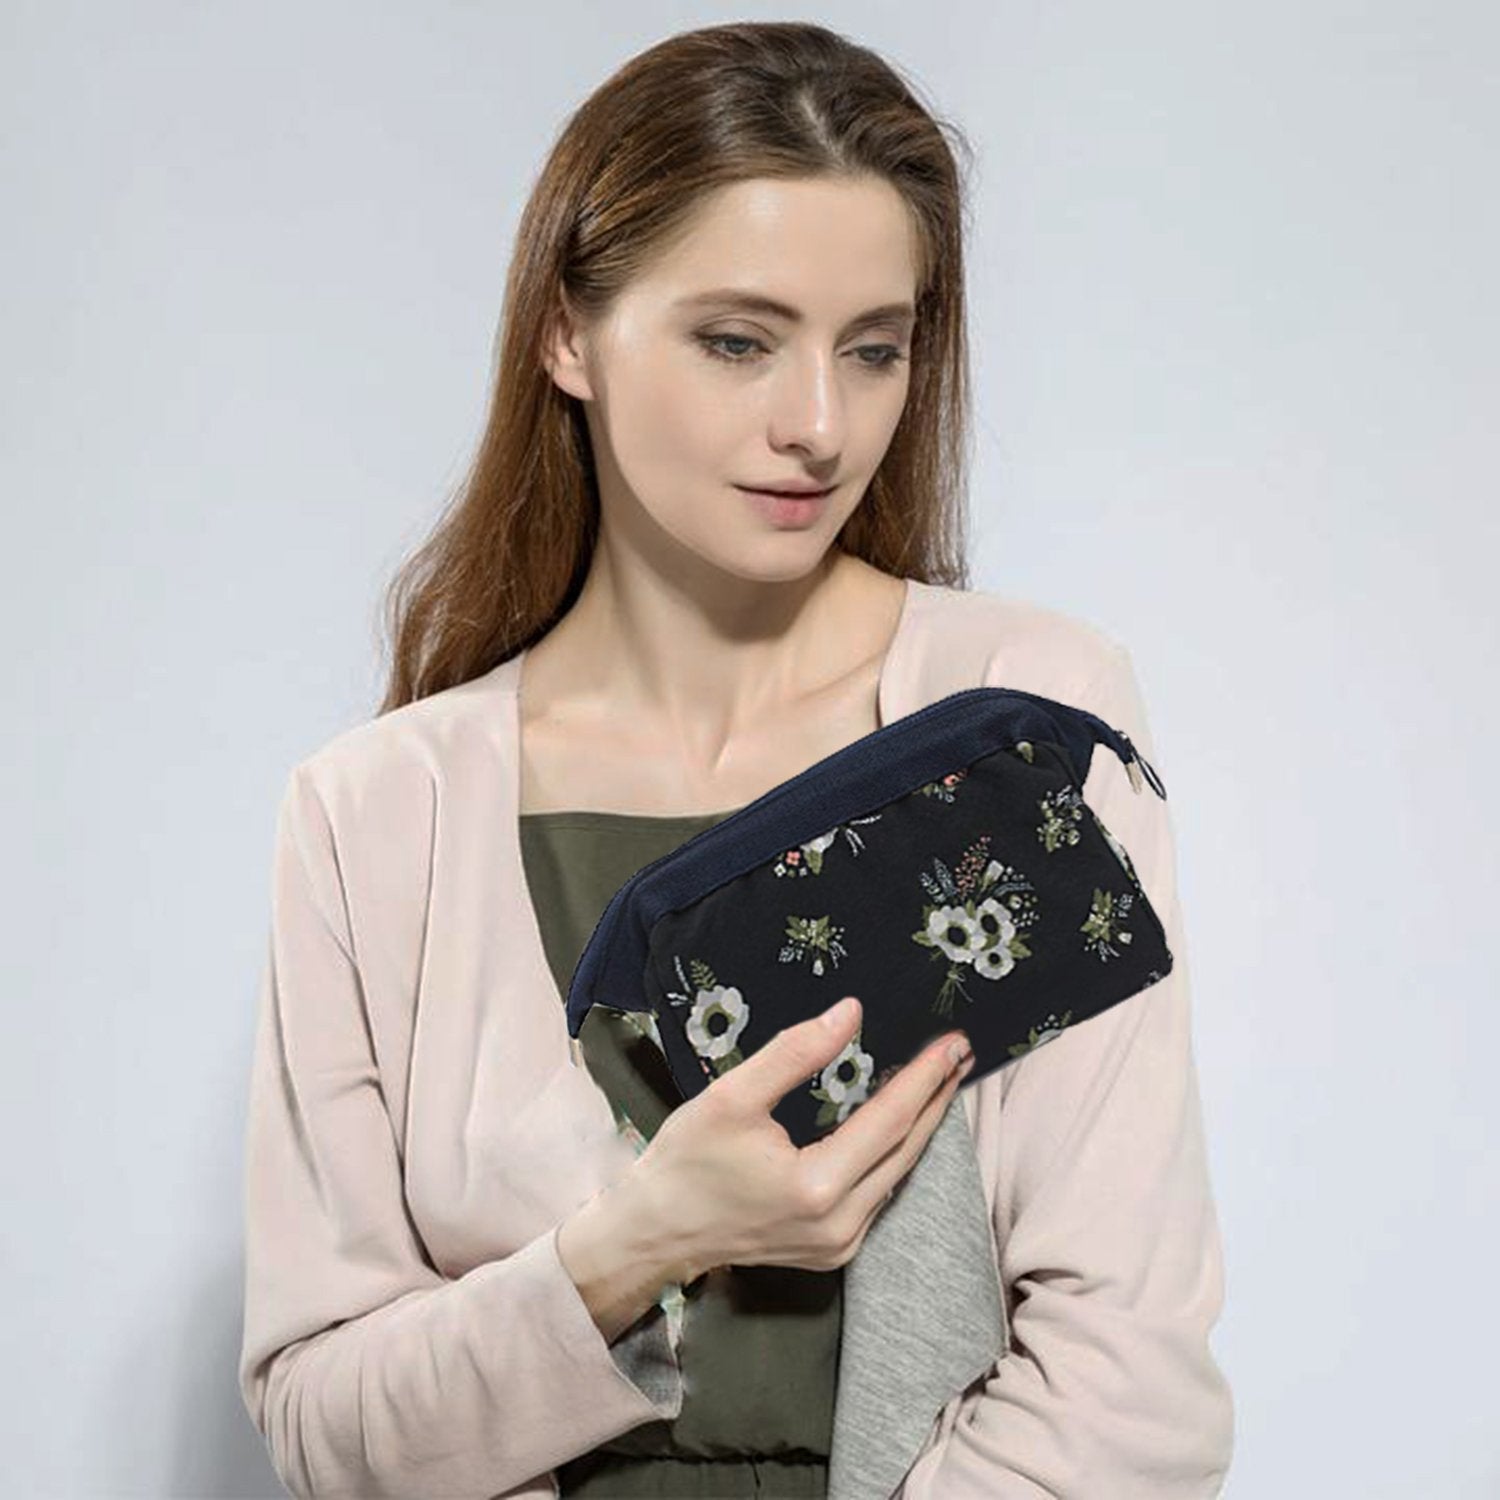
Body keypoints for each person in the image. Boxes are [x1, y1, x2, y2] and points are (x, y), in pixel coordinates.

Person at [237, 20, 1234, 1499]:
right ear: (568, 334)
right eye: (738, 341)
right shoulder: (377, 812)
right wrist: (643, 1239)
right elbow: (329, 1427)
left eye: (874, 349)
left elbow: (1128, 1391)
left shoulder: (1023, 721)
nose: (820, 426)